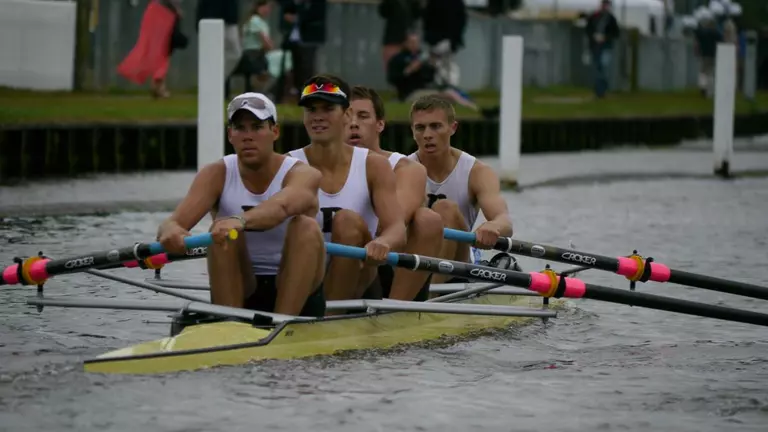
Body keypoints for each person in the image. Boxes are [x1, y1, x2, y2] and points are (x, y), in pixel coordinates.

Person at [156, 92, 327, 317]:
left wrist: (239, 221)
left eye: (257, 127)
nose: (248, 136)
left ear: (274, 131)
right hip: (242, 285)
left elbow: (281, 208)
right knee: (221, 233)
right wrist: (171, 232)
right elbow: (174, 222)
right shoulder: (215, 173)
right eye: (240, 128)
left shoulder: (304, 174)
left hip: (297, 288)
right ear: (230, 135)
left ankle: (283, 323)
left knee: (306, 226)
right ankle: (229, 325)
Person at [286, 74, 407, 308]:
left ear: (347, 114)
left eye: (327, 109)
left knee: (347, 222)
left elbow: (397, 229)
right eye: (311, 110)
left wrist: (383, 241)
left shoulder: (374, 165)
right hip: (305, 275)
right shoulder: (287, 164)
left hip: (360, 279)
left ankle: (329, 322)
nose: (318, 117)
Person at [345, 85, 442, 301]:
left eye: (362, 116)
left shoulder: (407, 168)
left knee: (428, 218)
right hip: (340, 259)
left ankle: (397, 309)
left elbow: (390, 223)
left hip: (386, 263)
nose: (353, 124)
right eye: (346, 116)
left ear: (380, 124)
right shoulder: (315, 165)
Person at [407, 94, 513, 284]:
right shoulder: (402, 169)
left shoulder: (477, 172)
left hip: (459, 262)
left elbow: (504, 220)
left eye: (436, 126)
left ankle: (427, 297)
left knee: (445, 209)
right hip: (414, 255)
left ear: (452, 128)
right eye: (420, 128)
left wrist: (493, 226)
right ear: (412, 131)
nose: (427, 135)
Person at [584, 0, 620, 99]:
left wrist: (605, 37)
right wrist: (594, 37)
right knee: (598, 69)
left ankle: (601, 90)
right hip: (595, 47)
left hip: (606, 47)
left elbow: (616, 33)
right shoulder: (594, 17)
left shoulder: (611, 19)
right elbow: (588, 30)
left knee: (603, 69)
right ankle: (599, 91)